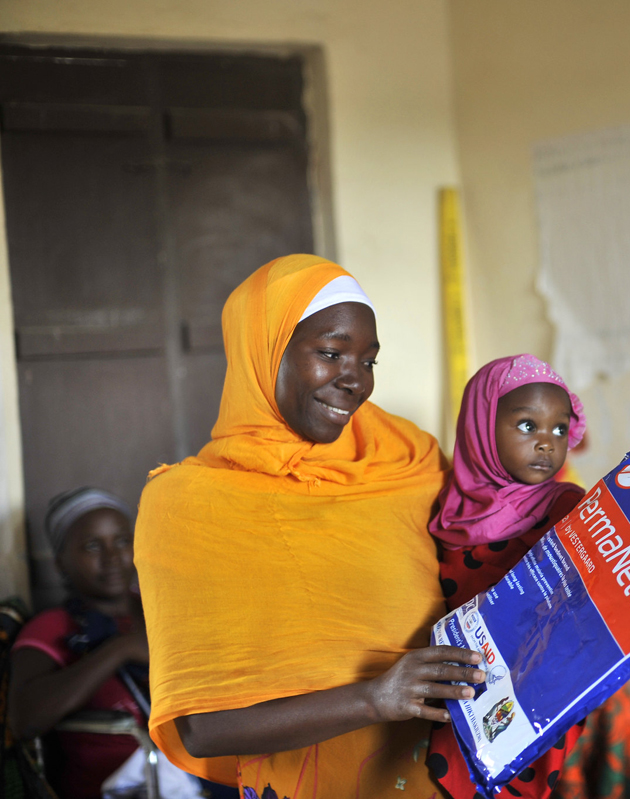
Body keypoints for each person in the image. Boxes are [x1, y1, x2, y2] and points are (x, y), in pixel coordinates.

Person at [134, 255, 485, 799]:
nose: (355, 381)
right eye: (330, 353)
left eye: (369, 360)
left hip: (443, 780)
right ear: (264, 349)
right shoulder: (189, 504)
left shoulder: (405, 458)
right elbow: (201, 727)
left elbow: (500, 543)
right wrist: (375, 697)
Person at [427, 354, 630, 799]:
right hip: (460, 688)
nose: (548, 443)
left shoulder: (569, 509)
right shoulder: (444, 510)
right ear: (480, 428)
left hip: (539, 691)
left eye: (560, 429)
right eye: (528, 426)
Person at [9, 488, 149, 799]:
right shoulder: (53, 627)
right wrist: (119, 649)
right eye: (92, 545)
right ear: (60, 562)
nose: (113, 557)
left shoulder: (162, 611)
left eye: (123, 541)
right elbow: (24, 721)